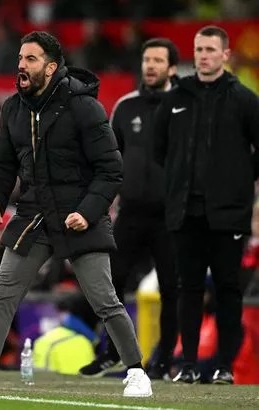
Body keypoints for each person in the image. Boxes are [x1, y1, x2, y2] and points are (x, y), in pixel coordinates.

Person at [0, 31, 152, 398]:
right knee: (1, 293)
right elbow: (1, 165)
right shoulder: (12, 109)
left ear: (51, 67)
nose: (21, 65)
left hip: (78, 213)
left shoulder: (85, 107)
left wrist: (87, 212)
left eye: (31, 59)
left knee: (104, 298)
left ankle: (136, 372)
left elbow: (111, 169)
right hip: (34, 215)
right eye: (20, 58)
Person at [154, 25, 259, 385]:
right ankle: (188, 364)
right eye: (199, 49)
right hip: (185, 212)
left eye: (211, 49)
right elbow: (159, 150)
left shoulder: (244, 100)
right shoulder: (174, 100)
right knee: (189, 288)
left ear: (225, 54)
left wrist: (241, 180)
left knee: (228, 289)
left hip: (228, 213)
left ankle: (224, 366)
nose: (203, 55)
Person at [80, 38, 180, 380]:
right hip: (131, 212)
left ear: (172, 68)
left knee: (172, 287)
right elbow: (108, 158)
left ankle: (165, 360)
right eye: (146, 59)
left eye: (157, 60)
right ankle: (112, 352)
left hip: (172, 216)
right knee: (111, 282)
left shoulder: (185, 105)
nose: (150, 65)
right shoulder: (125, 106)